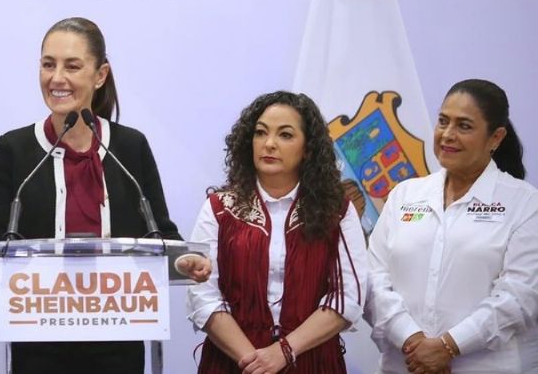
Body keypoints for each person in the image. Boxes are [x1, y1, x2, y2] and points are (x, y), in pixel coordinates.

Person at [0, 17, 210, 374]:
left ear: (100, 75)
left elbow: (159, 234)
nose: (57, 78)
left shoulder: (130, 147)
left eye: (72, 66)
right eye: (48, 64)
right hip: (38, 342)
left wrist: (184, 262)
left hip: (119, 336)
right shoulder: (14, 148)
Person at [187, 91, 368, 374]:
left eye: (285, 135)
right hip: (234, 363)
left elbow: (347, 299)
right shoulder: (219, 208)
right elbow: (203, 296)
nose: (269, 144)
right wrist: (254, 361)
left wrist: (283, 352)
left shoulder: (337, 211)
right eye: (260, 133)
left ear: (308, 148)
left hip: (312, 362)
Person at [366, 79, 538, 373]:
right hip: (405, 364)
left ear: (495, 138)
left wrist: (450, 345)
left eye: (464, 126)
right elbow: (373, 279)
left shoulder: (524, 203)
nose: (447, 134)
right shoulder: (404, 195)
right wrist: (413, 340)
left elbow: (520, 296)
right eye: (443, 121)